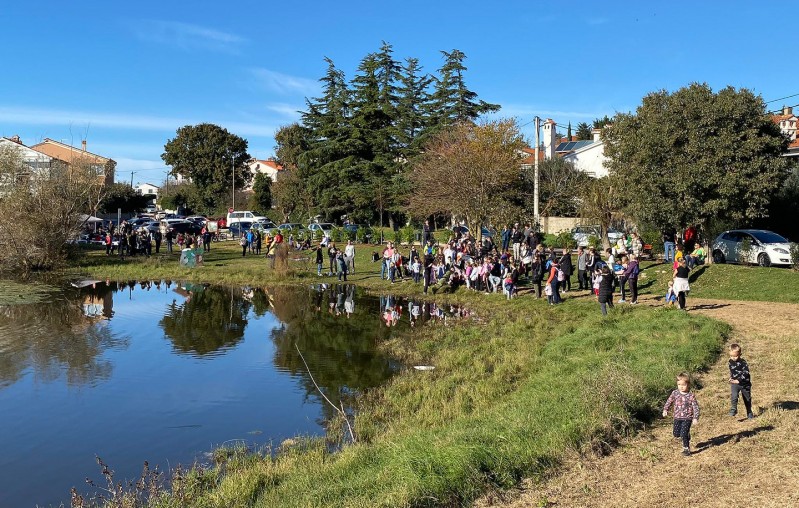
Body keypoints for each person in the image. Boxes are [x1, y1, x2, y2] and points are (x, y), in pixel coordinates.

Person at [662, 373, 700, 456]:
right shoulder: (675, 393)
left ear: (688, 385)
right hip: (677, 417)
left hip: (687, 418)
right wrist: (665, 409)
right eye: (679, 384)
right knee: (676, 434)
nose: (681, 387)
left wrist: (695, 417)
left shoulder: (690, 395)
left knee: (683, 434)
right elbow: (669, 401)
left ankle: (686, 449)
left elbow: (695, 407)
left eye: (683, 385)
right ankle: (687, 434)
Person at [728, 344, 754, 419]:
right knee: (734, 396)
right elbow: (732, 371)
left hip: (744, 384)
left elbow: (746, 373)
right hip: (735, 383)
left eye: (735, 356)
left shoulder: (743, 362)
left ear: (740, 354)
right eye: (731, 356)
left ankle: (749, 411)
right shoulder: (730, 361)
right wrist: (731, 378)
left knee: (747, 399)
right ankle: (734, 409)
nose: (733, 358)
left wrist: (738, 380)